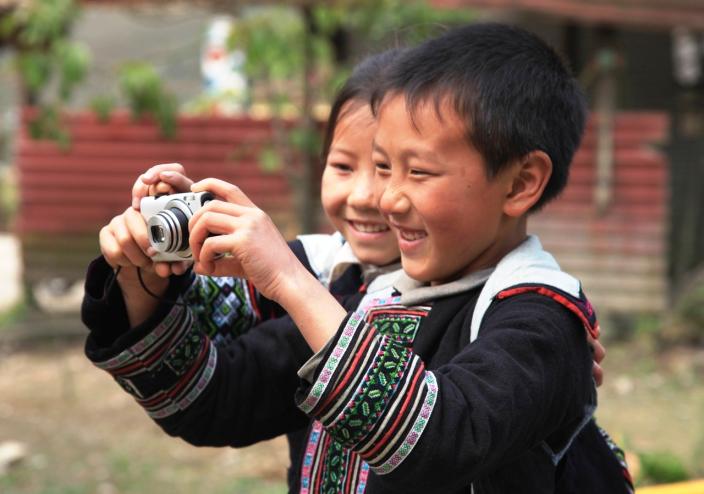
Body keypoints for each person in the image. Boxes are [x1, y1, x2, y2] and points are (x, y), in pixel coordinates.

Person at [175, 24, 630, 492]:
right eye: (383, 166)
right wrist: (139, 282)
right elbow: (219, 398)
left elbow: (439, 439)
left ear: (519, 183)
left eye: (417, 171)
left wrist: (291, 281)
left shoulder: (540, 319)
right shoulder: (371, 295)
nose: (385, 199)